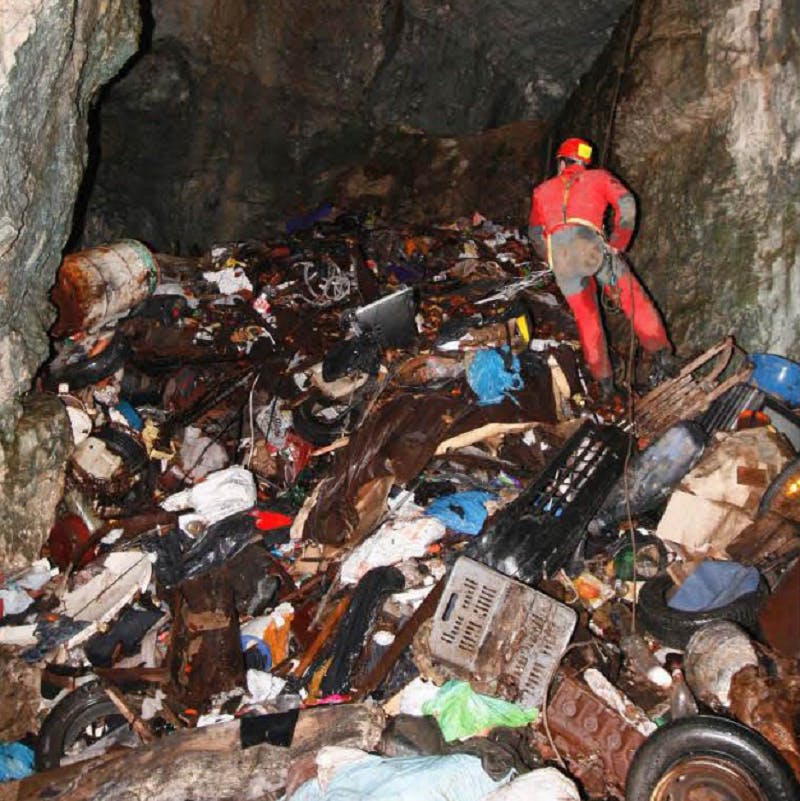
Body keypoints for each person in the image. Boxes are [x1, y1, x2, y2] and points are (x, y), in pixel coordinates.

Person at [528, 136, 676, 398]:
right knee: (631, 299)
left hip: (561, 257)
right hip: (590, 247)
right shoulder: (597, 177)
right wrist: (618, 242)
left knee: (587, 320)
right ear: (583, 162)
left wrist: (552, 260)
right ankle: (662, 358)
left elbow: (535, 233)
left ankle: (605, 385)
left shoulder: (541, 191)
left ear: (562, 163)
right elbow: (627, 204)